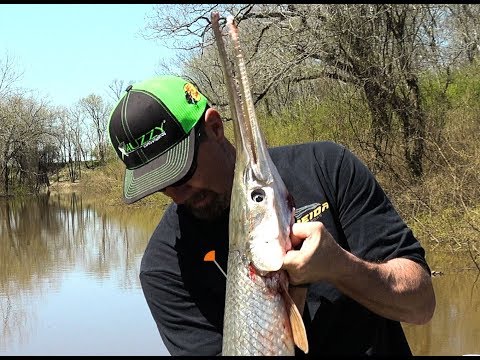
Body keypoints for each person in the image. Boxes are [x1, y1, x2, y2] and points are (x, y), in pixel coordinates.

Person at [108, 75, 436, 356]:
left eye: (181, 173)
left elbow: (421, 304)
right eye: (161, 185)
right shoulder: (165, 268)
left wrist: (339, 267)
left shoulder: (327, 167)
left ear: (215, 127)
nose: (177, 194)